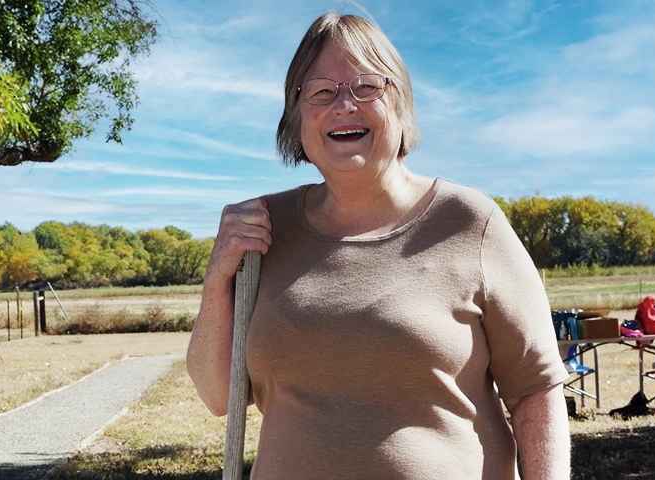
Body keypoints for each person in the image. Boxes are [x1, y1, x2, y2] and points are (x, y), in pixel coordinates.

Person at [187, 12, 571, 480]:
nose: (344, 105)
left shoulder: (470, 220)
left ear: (402, 104)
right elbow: (215, 393)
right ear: (297, 116)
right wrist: (218, 275)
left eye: (367, 86)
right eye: (321, 92)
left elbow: (536, 389)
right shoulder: (261, 229)